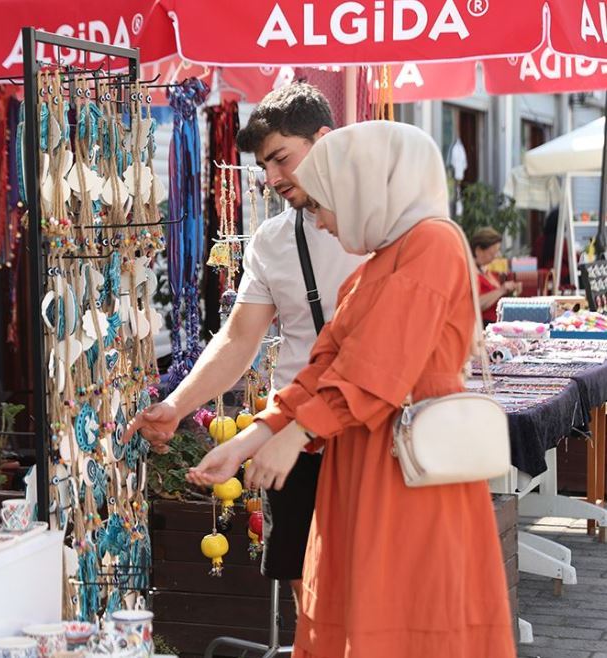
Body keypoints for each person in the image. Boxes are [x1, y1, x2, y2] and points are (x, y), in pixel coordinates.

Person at [188, 122, 516, 658]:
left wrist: (296, 434)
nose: (316, 218)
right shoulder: (378, 263)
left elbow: (378, 366)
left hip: (407, 469)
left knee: (406, 610)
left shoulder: (431, 243)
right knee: (369, 609)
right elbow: (325, 368)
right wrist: (250, 440)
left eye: (322, 203)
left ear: (362, 187)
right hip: (369, 457)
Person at [127, 83, 364, 603]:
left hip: (372, 430)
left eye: (281, 158)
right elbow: (238, 339)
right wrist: (175, 405)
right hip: (293, 437)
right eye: (264, 165)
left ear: (323, 140)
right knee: (311, 590)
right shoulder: (273, 240)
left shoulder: (386, 223)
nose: (272, 178)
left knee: (378, 591)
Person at [472, 227, 522, 325]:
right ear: (478, 250)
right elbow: (474, 304)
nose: (496, 256)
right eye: (492, 254)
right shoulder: (470, 273)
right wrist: (501, 290)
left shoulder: (484, 270)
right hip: (484, 325)